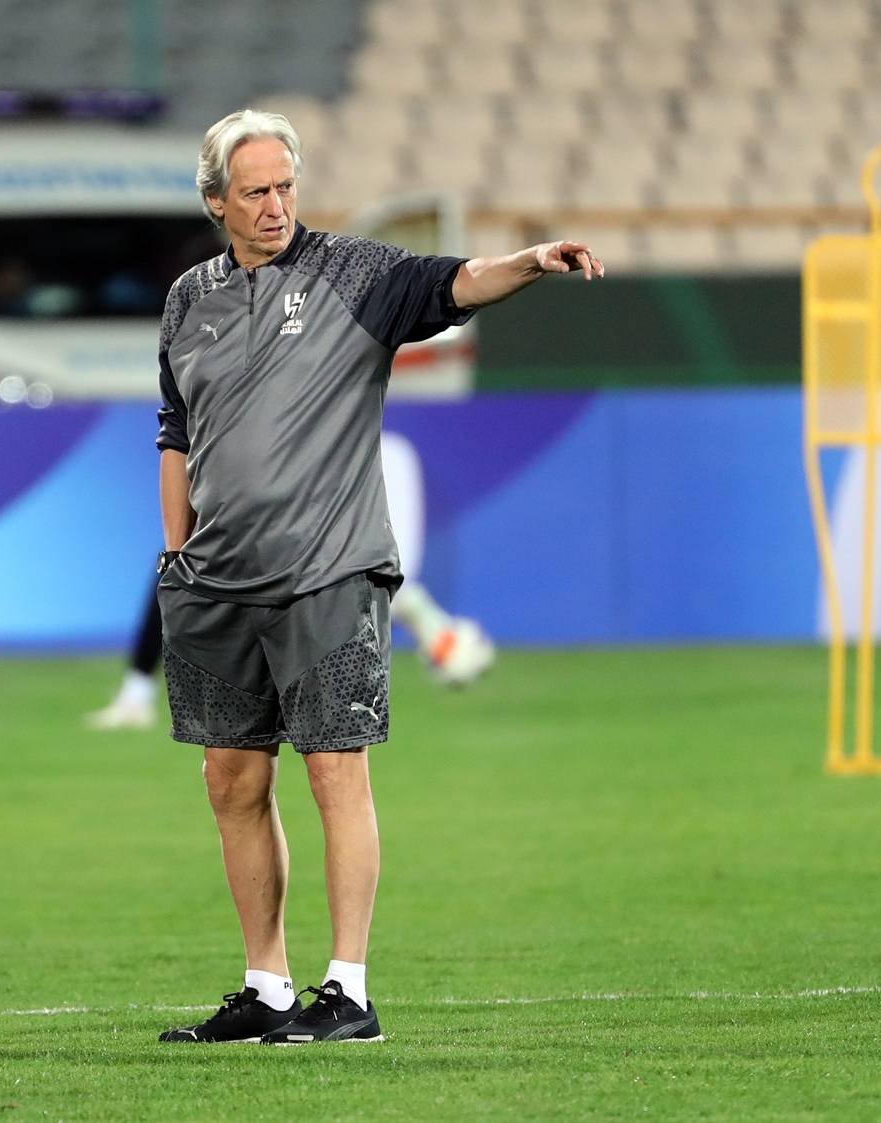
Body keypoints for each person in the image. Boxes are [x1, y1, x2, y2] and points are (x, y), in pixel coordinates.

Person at [152, 109, 602, 1045]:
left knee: (334, 774)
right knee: (232, 782)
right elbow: (175, 429)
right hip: (219, 582)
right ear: (214, 202)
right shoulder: (186, 298)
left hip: (329, 568)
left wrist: (528, 261)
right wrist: (175, 546)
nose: (276, 207)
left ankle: (347, 989)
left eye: (286, 187)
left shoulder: (354, 274)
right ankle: (267, 989)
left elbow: (456, 282)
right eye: (255, 192)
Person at [87, 431, 495, 731]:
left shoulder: (367, 449)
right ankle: (139, 694)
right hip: (263, 531)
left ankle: (142, 695)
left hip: (302, 561)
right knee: (178, 571)